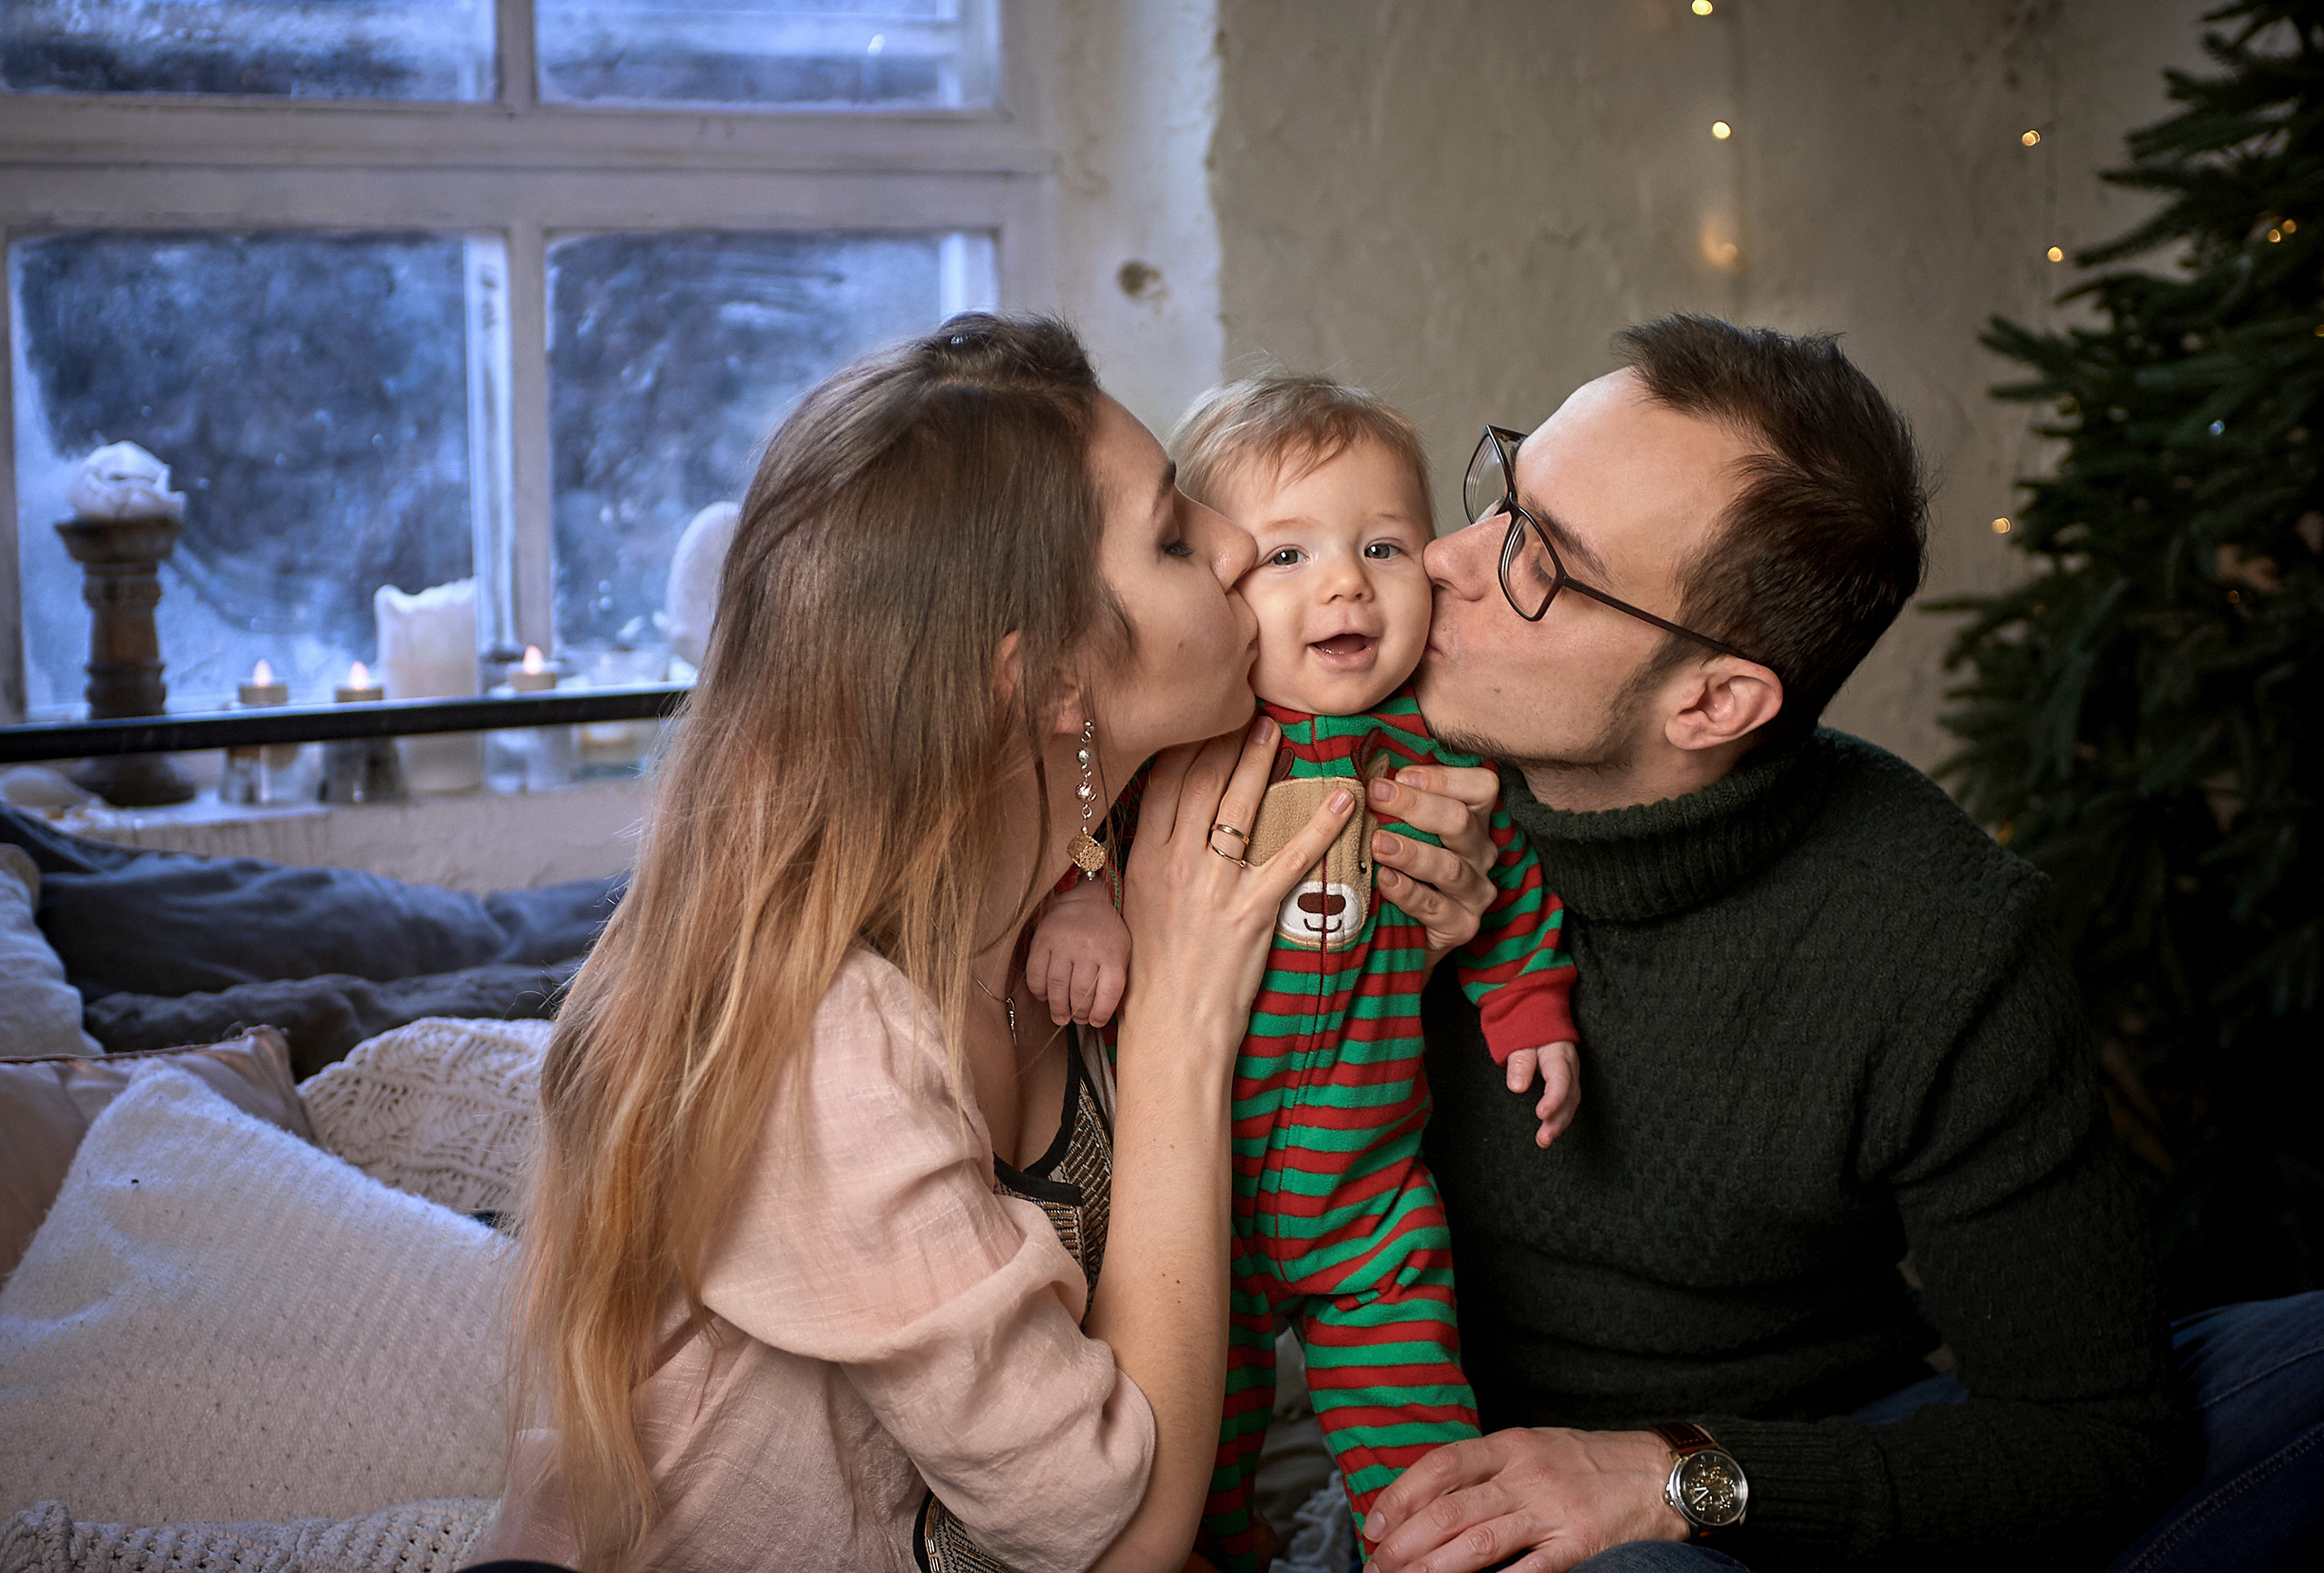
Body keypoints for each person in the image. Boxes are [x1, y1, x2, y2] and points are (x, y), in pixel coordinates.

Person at [469, 315, 1503, 1573]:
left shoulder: (1099, 861)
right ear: (1056, 684)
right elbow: (1114, 1541)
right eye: (1178, 535)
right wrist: (1179, 1015)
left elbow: (1329, 1146)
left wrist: (1426, 931)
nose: (1241, 546)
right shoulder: (835, 1051)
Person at [1361, 313, 2196, 1571]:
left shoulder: (1938, 932)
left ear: (1712, 700)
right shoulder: (1359, 761)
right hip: (1427, 1448)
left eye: (1540, 559)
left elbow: (2092, 1434)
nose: (1442, 556)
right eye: (1504, 494)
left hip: (1769, 1477)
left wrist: (1668, 1476)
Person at [1025, 374, 1581, 1571]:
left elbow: (1511, 887)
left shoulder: (1435, 750)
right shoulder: (1185, 737)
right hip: (1191, 1207)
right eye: (1285, 553)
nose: (1345, 583)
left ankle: (1425, 1546)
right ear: (1218, 582)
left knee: (1420, 1436)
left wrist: (1529, 1002)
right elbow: (1083, 822)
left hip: (1370, 1193)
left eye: (1384, 543)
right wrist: (1082, 902)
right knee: (1196, 1445)